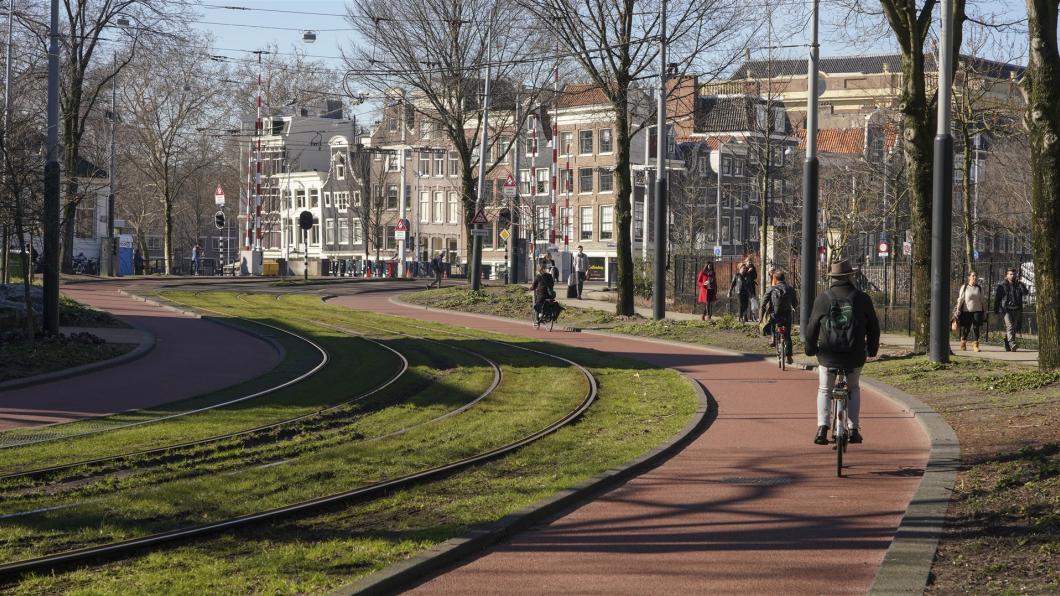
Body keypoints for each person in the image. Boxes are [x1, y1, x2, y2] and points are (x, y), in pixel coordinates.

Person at [804, 260, 881, 446]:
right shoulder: (862, 298)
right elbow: (874, 327)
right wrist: (872, 349)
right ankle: (854, 429)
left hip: (828, 355)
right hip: (854, 355)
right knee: (853, 388)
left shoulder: (823, 298)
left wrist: (810, 348)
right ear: (850, 276)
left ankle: (822, 428)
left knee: (824, 389)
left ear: (833, 278)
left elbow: (812, 327)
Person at [760, 270, 798, 363]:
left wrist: (761, 317)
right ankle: (789, 356)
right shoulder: (790, 289)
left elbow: (763, 303)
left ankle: (773, 338)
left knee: (772, 321)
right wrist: (793, 306)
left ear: (775, 279)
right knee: (787, 336)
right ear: (784, 278)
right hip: (787, 315)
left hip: (776, 315)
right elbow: (795, 303)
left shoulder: (771, 289)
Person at [993, 268, 1030, 351]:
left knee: (1014, 328)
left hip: (1017, 309)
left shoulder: (1019, 284)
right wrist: (996, 309)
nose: (1012, 276)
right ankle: (1012, 344)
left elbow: (1026, 293)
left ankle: (1007, 343)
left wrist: (1021, 285)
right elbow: (997, 298)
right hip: (1006, 310)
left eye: (1014, 274)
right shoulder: (1002, 285)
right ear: (1007, 275)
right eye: (1010, 274)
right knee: (1010, 327)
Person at [953, 271, 987, 351]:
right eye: (973, 276)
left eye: (976, 276)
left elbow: (983, 300)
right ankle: (963, 341)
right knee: (966, 328)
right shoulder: (964, 287)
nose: (975, 277)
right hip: (966, 311)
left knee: (976, 327)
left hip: (977, 310)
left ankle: (975, 345)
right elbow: (960, 299)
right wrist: (958, 309)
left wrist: (985, 312)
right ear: (969, 277)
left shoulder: (979, 288)